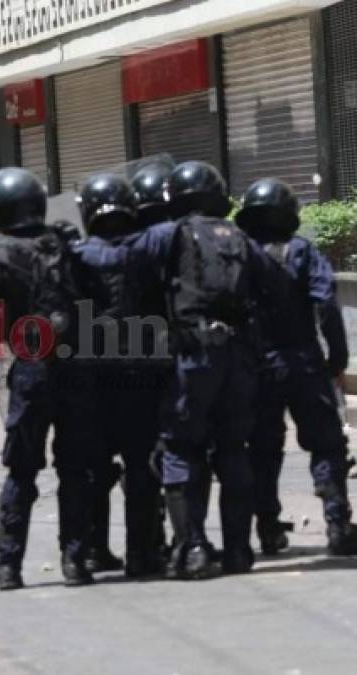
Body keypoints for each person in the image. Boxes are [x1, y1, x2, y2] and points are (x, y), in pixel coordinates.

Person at [127, 161, 286, 579]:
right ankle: (238, 552)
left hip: (193, 356)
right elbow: (275, 288)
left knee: (181, 448)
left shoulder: (165, 235)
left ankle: (193, 548)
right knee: (234, 451)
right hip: (239, 361)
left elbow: (128, 281)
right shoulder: (241, 238)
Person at [0, 167, 99, 589]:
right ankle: (75, 562)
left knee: (21, 471)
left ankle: (9, 567)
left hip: (30, 372)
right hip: (76, 370)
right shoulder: (67, 247)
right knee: (75, 471)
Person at [236, 178, 357, 556]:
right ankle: (338, 525)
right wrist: (336, 359)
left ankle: (268, 528)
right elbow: (326, 305)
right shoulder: (302, 251)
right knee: (327, 445)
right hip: (303, 363)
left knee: (263, 448)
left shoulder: (241, 255)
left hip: (258, 366)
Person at [73, 173, 168, 577]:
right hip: (142, 377)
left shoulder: (75, 256)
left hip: (92, 379)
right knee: (141, 466)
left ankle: (94, 550)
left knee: (95, 468)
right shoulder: (149, 253)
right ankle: (142, 554)